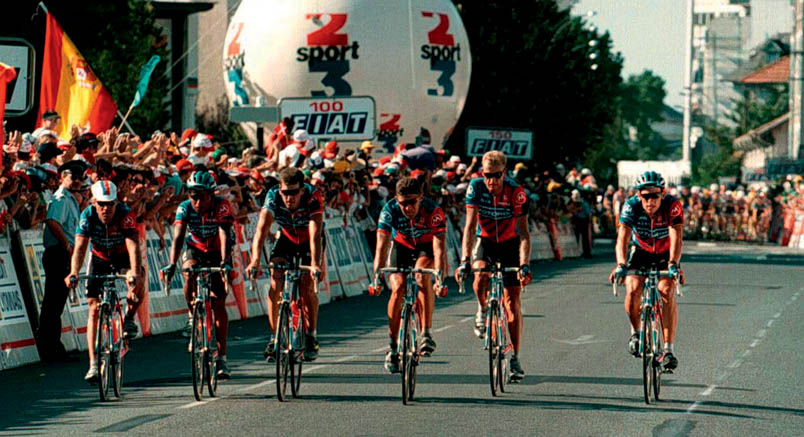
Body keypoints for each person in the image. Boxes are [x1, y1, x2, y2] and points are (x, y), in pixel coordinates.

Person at [455, 150, 532, 381]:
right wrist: (464, 261)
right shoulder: (476, 187)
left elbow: (525, 234)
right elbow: (469, 227)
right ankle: (482, 308)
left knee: (512, 302)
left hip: (510, 244)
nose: (491, 180)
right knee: (480, 276)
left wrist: (524, 265)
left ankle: (516, 357)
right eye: (487, 175)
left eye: (496, 176)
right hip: (485, 241)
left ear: (504, 173)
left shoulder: (516, 192)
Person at [65, 180, 145, 383]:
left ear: (117, 202)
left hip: (123, 256)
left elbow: (133, 246)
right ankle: (93, 365)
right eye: (101, 203)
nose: (106, 208)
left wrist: (134, 273)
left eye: (110, 203)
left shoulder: (125, 214)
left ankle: (129, 316)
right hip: (99, 258)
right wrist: (74, 272)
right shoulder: (87, 216)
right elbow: (80, 248)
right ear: (93, 202)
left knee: (138, 280)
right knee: (93, 309)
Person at [608, 171, 685, 371]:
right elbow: (622, 238)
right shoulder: (631, 206)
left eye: (654, 195)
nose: (649, 201)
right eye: (645, 196)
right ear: (638, 195)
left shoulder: (672, 205)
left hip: (664, 252)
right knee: (632, 289)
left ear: (663, 194)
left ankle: (668, 349)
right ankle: (635, 332)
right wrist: (621, 264)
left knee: (666, 291)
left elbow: (676, 236)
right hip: (640, 251)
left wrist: (674, 264)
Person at [161, 171, 235, 378]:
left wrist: (225, 263)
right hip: (196, 248)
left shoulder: (221, 205)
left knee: (219, 303)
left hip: (219, 249)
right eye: (193, 195)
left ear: (211, 194)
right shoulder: (184, 207)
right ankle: (193, 314)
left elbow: (224, 233)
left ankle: (222, 358)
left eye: (201, 196)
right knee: (189, 270)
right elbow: (178, 237)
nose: (197, 201)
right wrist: (172, 263)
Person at [246, 167, 324, 362]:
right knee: (275, 279)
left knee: (307, 287)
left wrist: (315, 264)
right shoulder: (273, 196)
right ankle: (274, 338)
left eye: (293, 193)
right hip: (287, 239)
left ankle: (311, 335)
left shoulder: (313, 197)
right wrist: (255, 260)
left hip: (309, 241)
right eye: (285, 193)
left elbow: (315, 234)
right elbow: (261, 231)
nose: (289, 198)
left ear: (302, 190)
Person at [371, 177, 447, 373]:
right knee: (397, 288)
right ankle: (392, 347)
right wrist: (377, 277)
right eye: (403, 203)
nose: (407, 208)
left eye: (412, 202)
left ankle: (426, 333)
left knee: (422, 277)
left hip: (425, 247)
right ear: (396, 200)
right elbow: (381, 245)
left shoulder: (433, 210)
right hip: (401, 247)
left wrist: (439, 278)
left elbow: (439, 249)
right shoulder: (389, 210)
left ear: (420, 198)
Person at [35, 160, 87, 362]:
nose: (76, 181)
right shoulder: (61, 198)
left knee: (57, 303)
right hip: (58, 253)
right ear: (62, 177)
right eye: (72, 177)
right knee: (53, 303)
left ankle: (53, 346)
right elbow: (52, 222)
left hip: (63, 253)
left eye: (79, 178)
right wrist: (66, 244)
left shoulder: (71, 199)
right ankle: (50, 349)